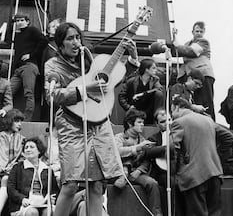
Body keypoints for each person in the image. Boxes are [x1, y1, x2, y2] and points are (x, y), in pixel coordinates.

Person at [44, 22, 123, 216]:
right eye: (70, 38)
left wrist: (133, 62)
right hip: (71, 125)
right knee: (70, 184)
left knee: (96, 185)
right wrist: (83, 90)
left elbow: (110, 81)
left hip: (96, 123)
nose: (76, 42)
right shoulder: (52, 65)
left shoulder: (88, 59)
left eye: (77, 37)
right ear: (60, 44)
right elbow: (52, 96)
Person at [170, 96, 223, 216]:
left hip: (194, 176)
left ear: (177, 107)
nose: (172, 116)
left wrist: (177, 170)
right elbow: (228, 136)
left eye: (172, 111)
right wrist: (220, 158)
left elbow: (171, 148)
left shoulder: (179, 122)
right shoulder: (208, 120)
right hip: (215, 172)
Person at [113, 109, 163, 216]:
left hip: (136, 172)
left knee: (152, 183)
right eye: (139, 122)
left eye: (143, 122)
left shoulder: (143, 139)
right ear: (130, 123)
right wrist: (137, 148)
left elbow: (147, 160)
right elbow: (117, 152)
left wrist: (139, 171)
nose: (142, 125)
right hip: (119, 171)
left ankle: (156, 213)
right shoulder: (119, 137)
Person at [172, 22, 216, 120]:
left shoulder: (204, 42)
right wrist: (174, 37)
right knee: (196, 103)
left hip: (204, 75)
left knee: (206, 102)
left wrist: (176, 44)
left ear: (204, 32)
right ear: (192, 32)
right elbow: (177, 51)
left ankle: (211, 125)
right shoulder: (187, 44)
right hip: (192, 77)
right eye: (197, 31)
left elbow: (191, 51)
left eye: (201, 31)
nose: (199, 33)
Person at [0, 109, 25, 216]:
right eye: (16, 121)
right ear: (9, 121)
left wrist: (13, 167)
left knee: (5, 179)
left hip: (13, 173)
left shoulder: (22, 140)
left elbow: (22, 159)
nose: (19, 124)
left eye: (20, 121)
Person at [7, 137, 59, 216]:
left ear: (39, 151)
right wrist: (22, 199)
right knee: (32, 212)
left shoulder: (47, 169)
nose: (28, 149)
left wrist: (52, 198)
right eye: (26, 148)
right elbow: (11, 188)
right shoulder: (17, 168)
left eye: (32, 147)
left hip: (43, 203)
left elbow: (54, 189)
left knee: (49, 212)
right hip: (23, 204)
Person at [11, 15, 48, 121]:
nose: (19, 22)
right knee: (8, 91)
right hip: (18, 68)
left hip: (29, 66)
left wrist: (31, 55)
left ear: (27, 22)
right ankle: (7, 115)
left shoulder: (31, 30)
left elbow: (44, 41)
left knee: (28, 93)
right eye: (17, 21)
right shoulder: (17, 35)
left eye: (22, 20)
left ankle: (27, 119)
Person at [118, 58, 164, 125]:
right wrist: (128, 107)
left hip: (149, 112)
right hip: (135, 111)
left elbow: (159, 89)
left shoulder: (155, 80)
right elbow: (121, 96)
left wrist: (142, 94)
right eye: (153, 68)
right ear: (146, 69)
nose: (156, 70)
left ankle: (157, 119)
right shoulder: (132, 81)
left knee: (159, 94)